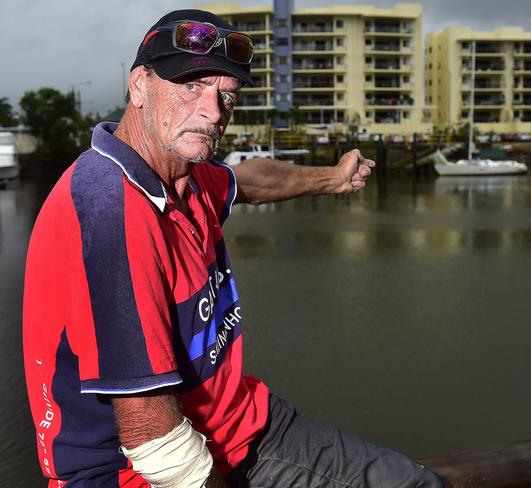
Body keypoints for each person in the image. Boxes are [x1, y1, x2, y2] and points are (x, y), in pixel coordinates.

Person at [23, 9, 447, 488]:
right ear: (139, 85)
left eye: (226, 94)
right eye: (191, 86)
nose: (212, 111)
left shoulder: (186, 177)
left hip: (238, 425)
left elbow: (250, 180)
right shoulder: (110, 209)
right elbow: (149, 431)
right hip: (135, 470)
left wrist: (331, 178)